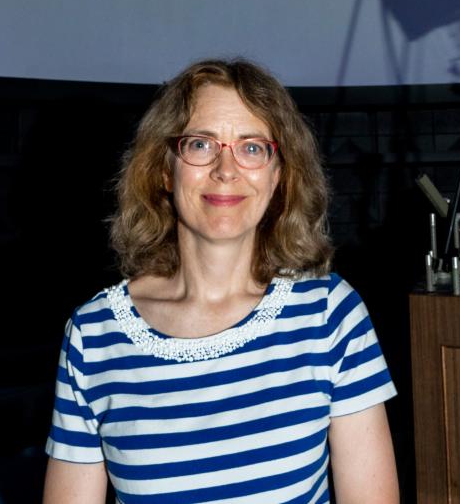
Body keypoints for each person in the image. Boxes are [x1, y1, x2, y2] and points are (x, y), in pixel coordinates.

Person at [43, 58, 398, 504]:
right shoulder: (93, 335)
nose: (226, 170)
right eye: (200, 144)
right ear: (162, 170)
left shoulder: (331, 315)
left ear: (279, 175)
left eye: (252, 148)